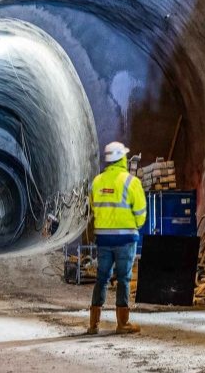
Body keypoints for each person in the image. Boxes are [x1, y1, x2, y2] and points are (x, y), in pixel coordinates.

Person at [86, 140, 147, 335]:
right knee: (123, 279)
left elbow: (93, 208)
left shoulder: (97, 182)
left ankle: (93, 324)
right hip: (125, 239)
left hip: (103, 240)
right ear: (122, 158)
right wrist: (134, 226)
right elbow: (141, 212)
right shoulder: (131, 182)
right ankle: (122, 323)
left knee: (101, 278)